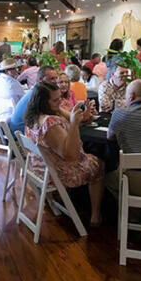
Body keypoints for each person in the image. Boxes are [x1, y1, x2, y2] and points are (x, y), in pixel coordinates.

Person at [24, 82, 105, 226]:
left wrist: (81, 118)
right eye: (55, 100)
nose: (60, 101)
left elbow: (68, 118)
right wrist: (74, 124)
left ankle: (61, 199)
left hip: (38, 168)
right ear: (44, 102)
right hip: (56, 174)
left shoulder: (34, 117)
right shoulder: (50, 123)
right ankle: (96, 215)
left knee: (90, 156)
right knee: (99, 164)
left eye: (60, 98)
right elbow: (71, 155)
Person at [8, 66, 59, 134]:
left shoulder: (35, 90)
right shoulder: (39, 95)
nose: (55, 81)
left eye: (56, 78)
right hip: (21, 133)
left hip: (18, 131)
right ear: (41, 79)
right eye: (52, 78)